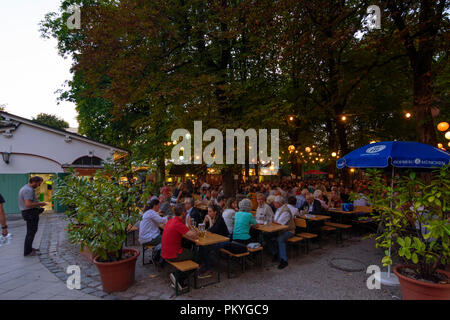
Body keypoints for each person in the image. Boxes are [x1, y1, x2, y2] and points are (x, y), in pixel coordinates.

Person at [161, 203, 199, 291]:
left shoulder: (171, 220)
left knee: (187, 247)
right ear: (183, 213)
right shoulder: (178, 224)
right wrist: (190, 224)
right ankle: (178, 278)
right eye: (185, 211)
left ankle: (180, 274)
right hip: (173, 254)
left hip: (165, 252)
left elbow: (184, 233)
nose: (187, 213)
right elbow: (195, 236)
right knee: (197, 257)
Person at [18, 176, 47, 256]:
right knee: (31, 232)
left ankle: (29, 248)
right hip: (30, 213)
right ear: (34, 181)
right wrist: (40, 204)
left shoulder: (25, 188)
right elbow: (28, 204)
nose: (39, 185)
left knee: (31, 231)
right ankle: (28, 251)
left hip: (29, 212)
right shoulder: (28, 190)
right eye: (39, 183)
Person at [199, 204, 229, 277]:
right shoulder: (213, 218)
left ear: (215, 212)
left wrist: (209, 220)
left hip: (224, 240)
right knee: (201, 246)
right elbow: (202, 229)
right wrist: (204, 221)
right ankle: (206, 264)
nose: (208, 213)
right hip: (215, 240)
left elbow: (211, 231)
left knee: (205, 247)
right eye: (208, 211)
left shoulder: (219, 219)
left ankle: (208, 269)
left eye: (210, 211)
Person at [268, 196, 295, 269]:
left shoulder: (285, 211)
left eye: (275, 203)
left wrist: (271, 222)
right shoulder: (278, 209)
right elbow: (275, 221)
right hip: (280, 230)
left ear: (279, 203)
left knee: (280, 239)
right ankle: (275, 253)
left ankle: (284, 260)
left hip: (289, 231)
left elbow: (280, 223)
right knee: (266, 235)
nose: (274, 204)